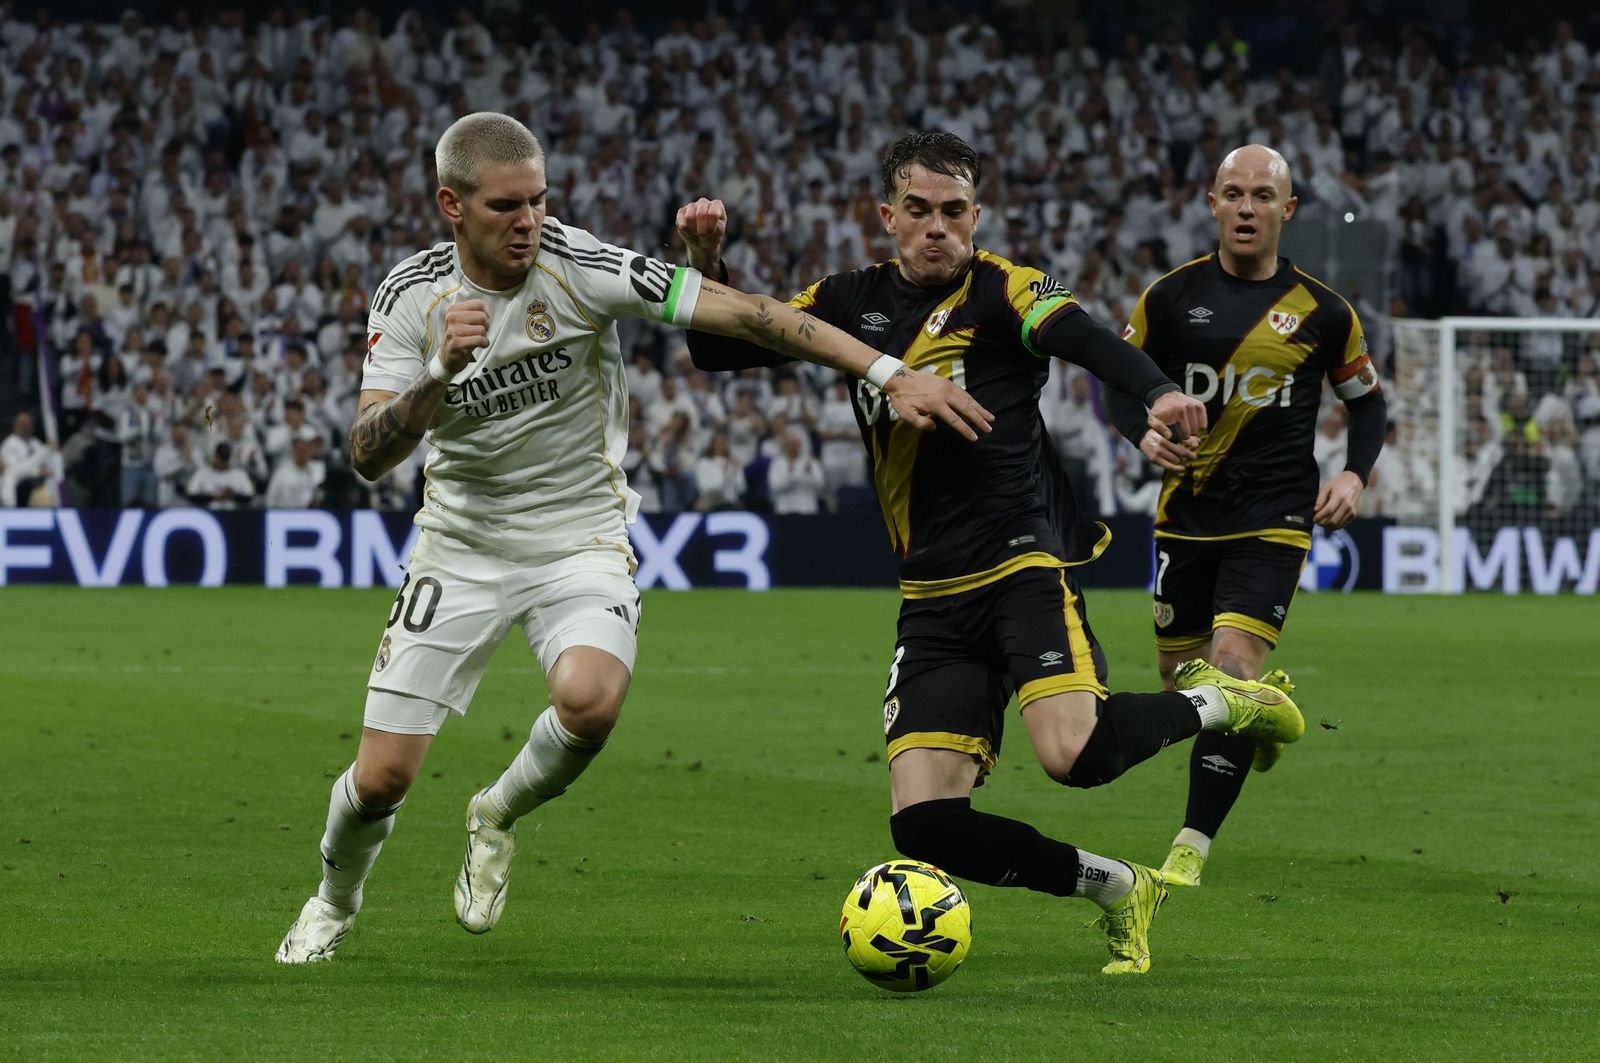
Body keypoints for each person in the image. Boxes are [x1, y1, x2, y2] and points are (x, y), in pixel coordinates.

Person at [275, 112, 988, 965]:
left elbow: (750, 317)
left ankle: (495, 811)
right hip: (459, 546)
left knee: (591, 699)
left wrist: (885, 369)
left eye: (539, 200)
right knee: (382, 777)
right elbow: (366, 455)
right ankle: (333, 899)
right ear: (451, 205)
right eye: (507, 206)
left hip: (581, 535)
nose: (529, 221)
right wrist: (436, 376)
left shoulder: (582, 267)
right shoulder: (412, 297)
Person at [681, 130, 1305, 975]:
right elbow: (718, 346)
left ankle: (1227, 703)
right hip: (932, 589)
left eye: (954, 211)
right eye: (919, 211)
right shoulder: (845, 300)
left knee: (1071, 755)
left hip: (1023, 562)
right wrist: (702, 258)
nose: (938, 228)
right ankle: (1119, 887)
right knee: (925, 825)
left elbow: (1084, 335)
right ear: (886, 216)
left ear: (976, 215)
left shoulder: (1007, 288)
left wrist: (1156, 389)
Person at [1106, 145, 1387, 888]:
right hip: (1185, 517)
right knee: (1181, 683)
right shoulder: (1168, 298)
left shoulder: (1324, 312)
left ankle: (1190, 847)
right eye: (1233, 193)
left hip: (1275, 515)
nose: (1246, 207)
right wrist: (1139, 431)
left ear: (1287, 210)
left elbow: (1369, 402)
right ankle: (1261, 716)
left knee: (1228, 671)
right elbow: (1116, 380)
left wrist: (1356, 473)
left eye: (1263, 195)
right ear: (1211, 202)